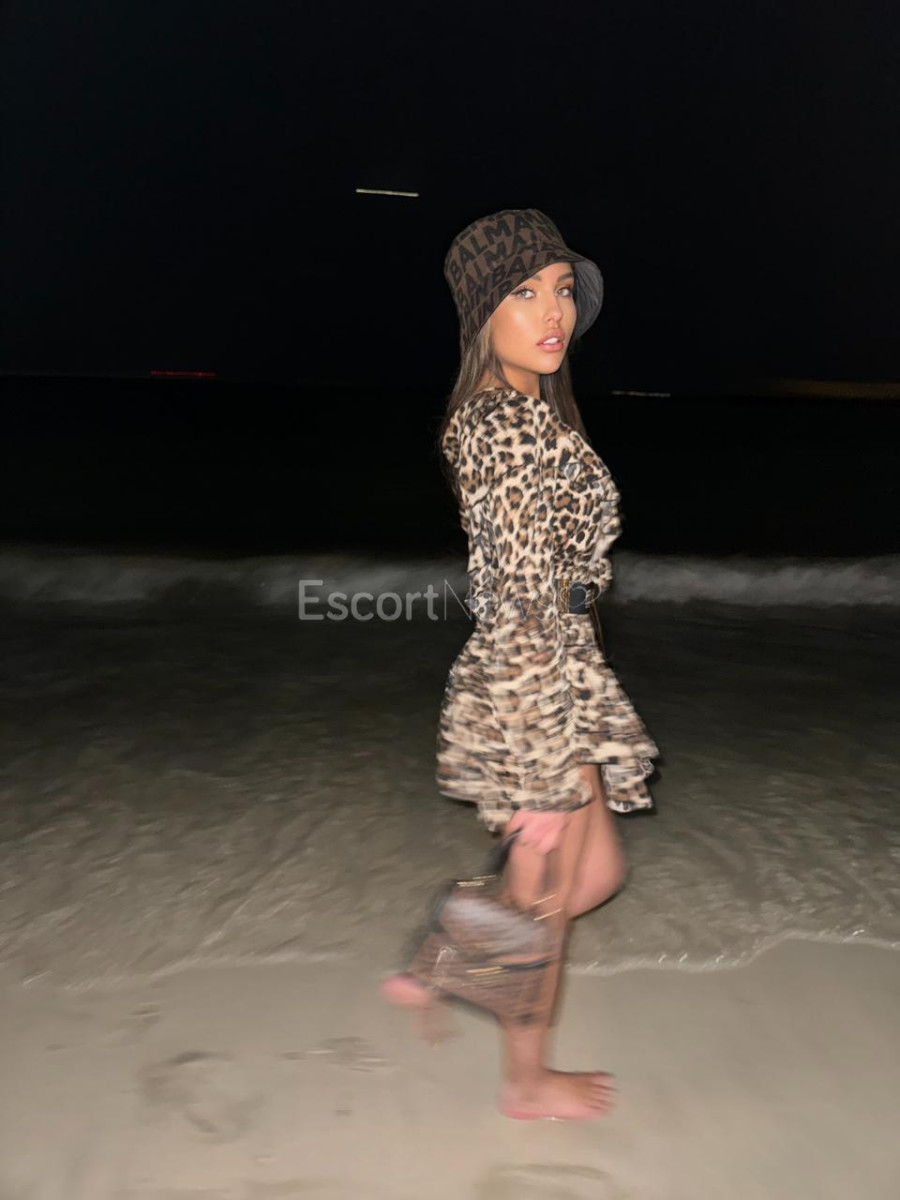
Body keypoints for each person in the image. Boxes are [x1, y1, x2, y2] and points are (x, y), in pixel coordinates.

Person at [381, 208, 659, 1121]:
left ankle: (451, 957)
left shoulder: (525, 415)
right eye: (524, 293)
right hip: (537, 678)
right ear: (483, 316)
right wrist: (543, 766)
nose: (553, 313)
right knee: (547, 893)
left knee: (595, 875)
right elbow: (519, 598)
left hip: (562, 663)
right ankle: (525, 1082)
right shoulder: (504, 428)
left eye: (562, 290)